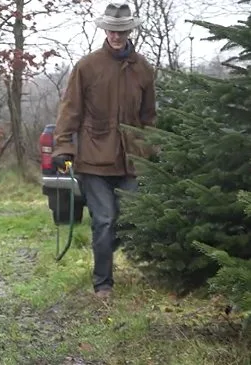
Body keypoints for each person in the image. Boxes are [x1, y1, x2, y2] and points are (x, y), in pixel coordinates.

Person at [51, 2, 157, 299]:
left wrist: (152, 149)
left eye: (122, 30)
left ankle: (116, 259)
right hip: (94, 159)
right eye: (112, 30)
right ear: (105, 30)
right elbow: (70, 109)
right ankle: (103, 284)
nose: (117, 35)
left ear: (129, 31)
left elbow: (149, 117)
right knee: (105, 219)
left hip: (132, 159)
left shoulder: (143, 69)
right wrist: (63, 147)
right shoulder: (88, 66)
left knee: (130, 218)